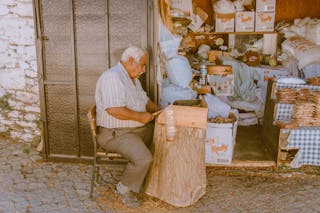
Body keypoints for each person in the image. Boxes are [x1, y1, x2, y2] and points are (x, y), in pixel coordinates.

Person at [95, 46, 160, 208]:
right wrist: (141, 116)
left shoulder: (133, 78)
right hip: (115, 134)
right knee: (144, 158)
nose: (144, 70)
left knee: (164, 138)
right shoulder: (112, 77)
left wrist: (160, 111)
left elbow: (145, 101)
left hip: (135, 130)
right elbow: (114, 110)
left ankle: (152, 181)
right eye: (142, 65)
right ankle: (124, 188)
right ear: (130, 61)